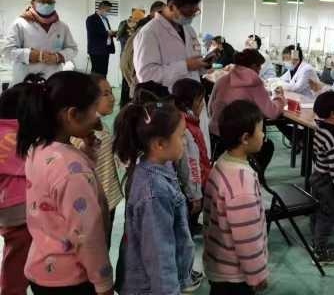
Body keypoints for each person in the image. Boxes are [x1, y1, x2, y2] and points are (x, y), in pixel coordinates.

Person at [15, 71, 113, 295]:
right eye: (93, 110)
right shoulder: (70, 170)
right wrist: (104, 283)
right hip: (72, 279)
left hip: (43, 269)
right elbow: (87, 235)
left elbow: (59, 190)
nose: (97, 117)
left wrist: (87, 152)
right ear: (72, 114)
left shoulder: (38, 148)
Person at [113, 96, 201, 294]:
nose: (185, 142)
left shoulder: (156, 166)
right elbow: (159, 255)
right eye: (181, 136)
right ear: (160, 144)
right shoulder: (154, 192)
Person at [203, 100, 269, 295]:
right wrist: (257, 275)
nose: (263, 135)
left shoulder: (222, 162)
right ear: (245, 138)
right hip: (235, 276)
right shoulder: (241, 185)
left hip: (220, 265)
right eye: (261, 130)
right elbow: (247, 239)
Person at [0, 76, 43, 295]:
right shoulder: (22, 136)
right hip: (22, 211)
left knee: (14, 253)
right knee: (18, 261)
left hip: (7, 207)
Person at [70, 74, 123, 248]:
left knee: (105, 246)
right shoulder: (81, 135)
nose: (112, 98)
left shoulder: (101, 125)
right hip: (94, 205)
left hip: (109, 200)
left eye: (111, 92)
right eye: (105, 94)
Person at [209, 49, 284, 166]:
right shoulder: (254, 83)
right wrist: (280, 98)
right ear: (254, 66)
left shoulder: (222, 80)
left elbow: (210, 109)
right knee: (267, 146)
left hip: (215, 136)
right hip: (237, 139)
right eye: (259, 67)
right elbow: (272, 112)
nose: (260, 71)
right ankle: (255, 173)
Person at [134, 0, 210, 90]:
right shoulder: (149, 33)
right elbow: (146, 76)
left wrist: (204, 64)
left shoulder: (189, 30)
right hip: (167, 97)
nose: (191, 17)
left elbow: (194, 66)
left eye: (194, 12)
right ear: (171, 6)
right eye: (187, 12)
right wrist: (185, 66)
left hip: (193, 95)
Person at [2, 0, 78, 86]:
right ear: (32, 3)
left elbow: (73, 49)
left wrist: (57, 57)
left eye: (50, 2)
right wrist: (30, 55)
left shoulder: (61, 26)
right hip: (26, 80)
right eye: (42, 1)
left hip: (53, 79)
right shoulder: (20, 24)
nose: (46, 4)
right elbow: (7, 51)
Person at [310, 91, 334, 265]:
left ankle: (316, 242)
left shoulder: (320, 128)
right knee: (329, 215)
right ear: (333, 114)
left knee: (319, 211)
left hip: (317, 176)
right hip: (328, 182)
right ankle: (320, 252)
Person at [172, 78, 211, 234]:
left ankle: (192, 226)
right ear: (191, 102)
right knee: (190, 214)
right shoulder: (186, 129)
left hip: (195, 182)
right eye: (201, 101)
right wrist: (195, 195)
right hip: (194, 185)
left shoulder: (184, 120)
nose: (202, 105)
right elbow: (190, 164)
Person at [120, 1, 165, 106]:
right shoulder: (145, 31)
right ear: (154, 13)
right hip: (140, 83)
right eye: (161, 13)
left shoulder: (153, 29)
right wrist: (133, 81)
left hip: (141, 82)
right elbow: (127, 61)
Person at [86, 0, 116, 76]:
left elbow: (106, 31)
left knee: (104, 72)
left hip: (106, 49)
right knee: (96, 72)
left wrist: (114, 33)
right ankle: (95, 84)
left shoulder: (105, 19)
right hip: (96, 50)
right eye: (107, 10)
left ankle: (103, 84)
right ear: (102, 8)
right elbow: (93, 32)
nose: (108, 12)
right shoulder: (91, 18)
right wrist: (108, 33)